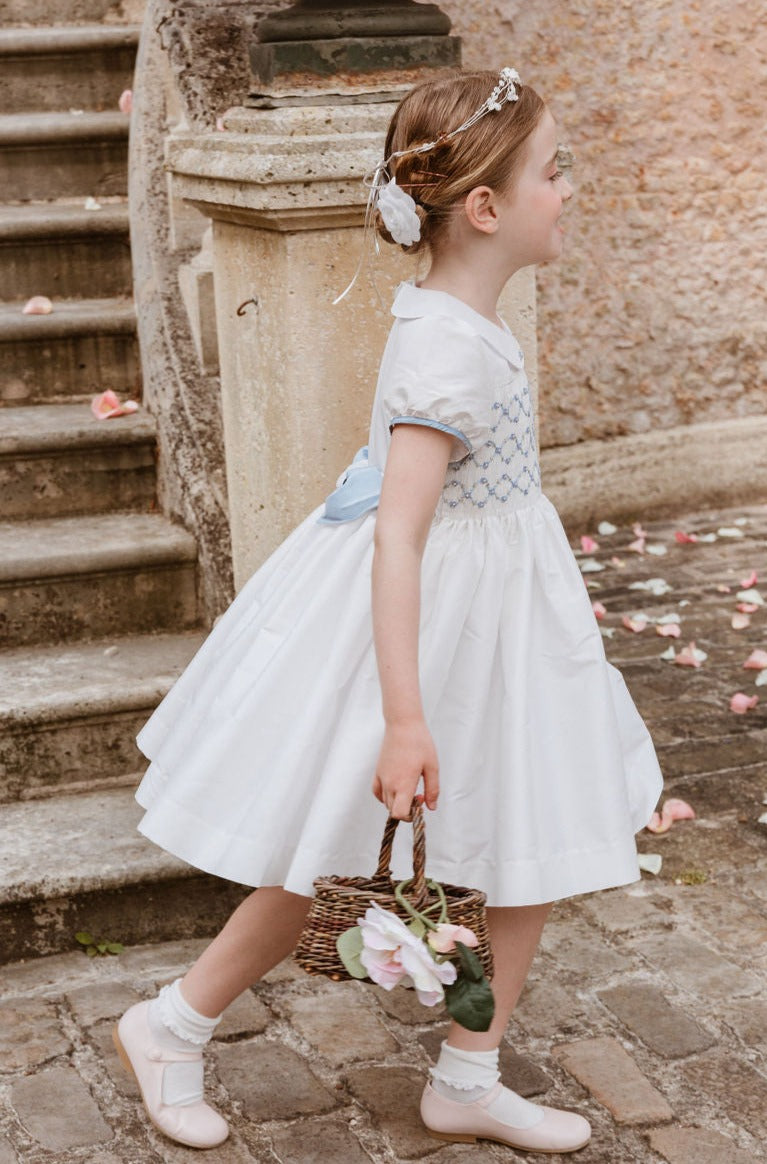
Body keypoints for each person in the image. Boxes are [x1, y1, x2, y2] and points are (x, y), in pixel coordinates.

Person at [114, 67, 663, 1154]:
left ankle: (469, 1071)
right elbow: (398, 534)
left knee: (531, 825)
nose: (569, 190)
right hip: (429, 628)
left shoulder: (459, 316)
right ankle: (171, 1023)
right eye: (553, 173)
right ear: (485, 209)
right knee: (331, 845)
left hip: (502, 618)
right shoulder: (445, 347)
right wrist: (404, 719)